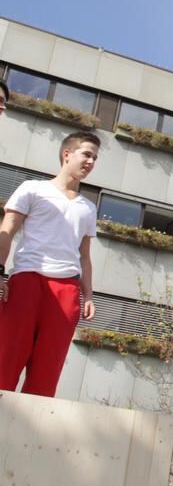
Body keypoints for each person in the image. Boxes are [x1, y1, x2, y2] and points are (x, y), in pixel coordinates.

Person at [0, 131, 100, 396]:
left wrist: (88, 294)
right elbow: (6, 231)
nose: (91, 162)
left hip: (67, 289)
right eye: (86, 154)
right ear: (67, 154)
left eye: (95, 158)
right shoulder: (32, 189)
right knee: (6, 358)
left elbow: (84, 256)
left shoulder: (88, 208)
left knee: (48, 368)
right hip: (27, 280)